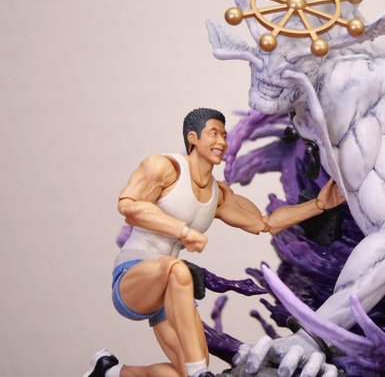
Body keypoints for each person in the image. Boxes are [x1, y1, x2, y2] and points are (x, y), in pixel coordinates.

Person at [83, 108, 344, 377]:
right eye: (214, 133)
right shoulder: (164, 168)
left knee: (181, 372)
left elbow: (266, 223)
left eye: (224, 136)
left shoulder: (217, 194)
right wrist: (183, 231)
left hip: (171, 294)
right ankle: (199, 373)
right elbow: (129, 205)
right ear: (193, 138)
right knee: (178, 271)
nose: (221, 142)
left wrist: (319, 204)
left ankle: (109, 372)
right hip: (134, 277)